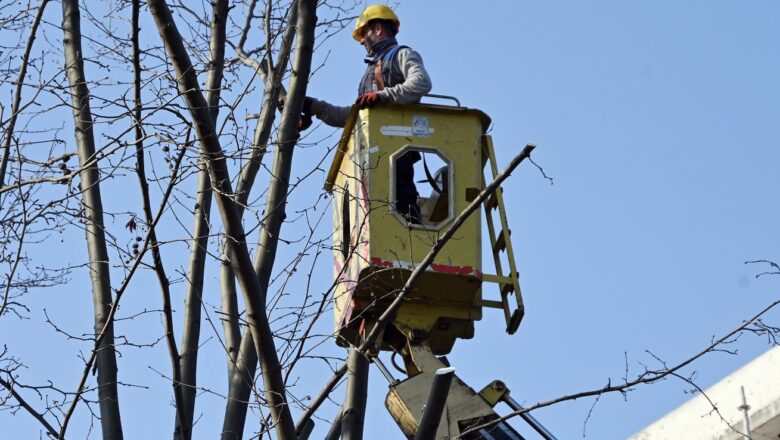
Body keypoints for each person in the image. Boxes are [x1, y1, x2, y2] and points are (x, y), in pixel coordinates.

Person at [300, 4, 431, 223]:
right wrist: (315, 107)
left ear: (378, 29)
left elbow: (421, 83)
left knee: (403, 208)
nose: (361, 41)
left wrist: (383, 96)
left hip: (398, 150)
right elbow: (352, 116)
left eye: (363, 33)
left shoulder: (401, 55)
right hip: (371, 154)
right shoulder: (371, 70)